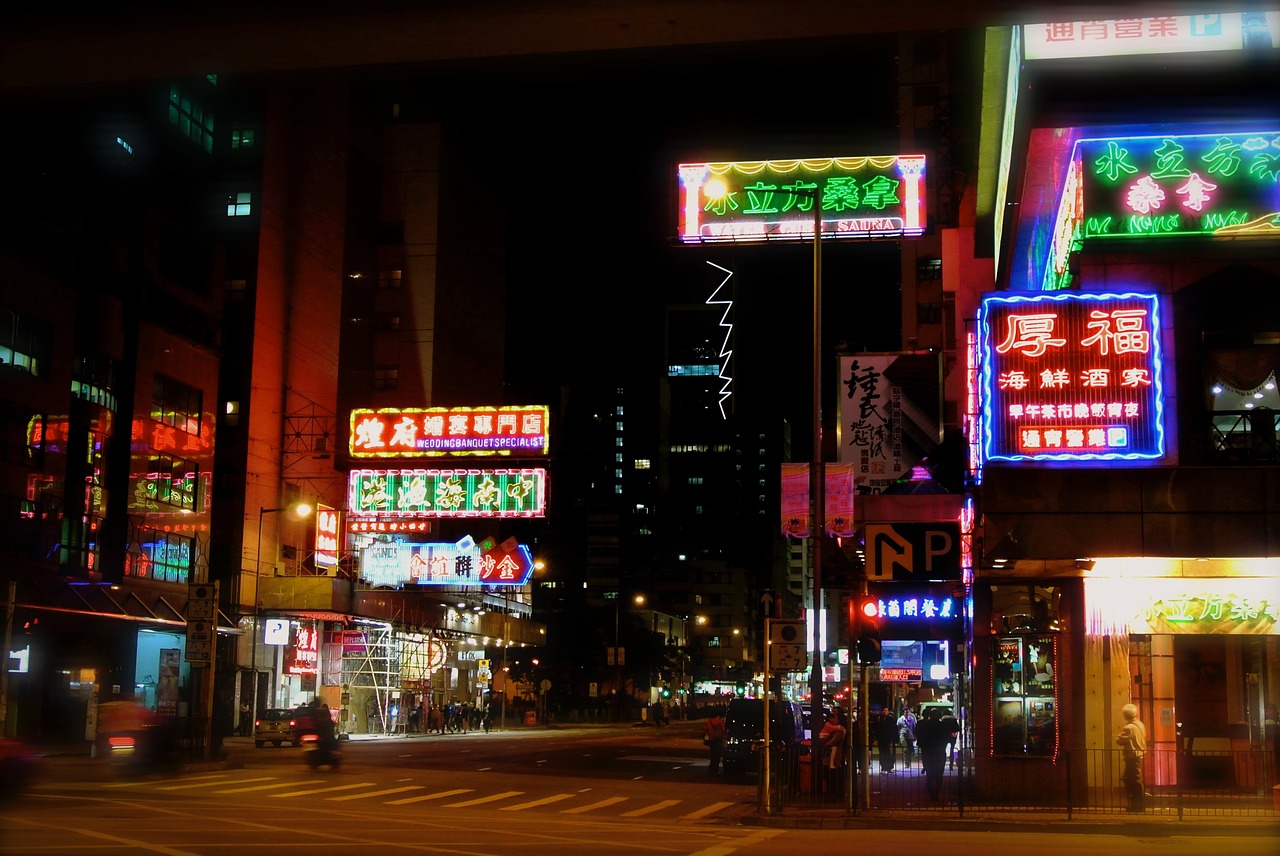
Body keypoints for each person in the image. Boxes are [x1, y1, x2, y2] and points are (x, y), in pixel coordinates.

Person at [1117, 702, 1146, 813]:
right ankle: (1137, 805)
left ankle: (1137, 805)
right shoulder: (1140, 724)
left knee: (1132, 780)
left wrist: (1119, 737)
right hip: (1139, 755)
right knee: (1134, 780)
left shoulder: (1129, 728)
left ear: (1126, 715)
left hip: (1132, 756)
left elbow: (1119, 740)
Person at [916, 706, 950, 801]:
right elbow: (947, 738)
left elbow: (921, 737)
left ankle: (930, 790)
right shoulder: (943, 726)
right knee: (939, 772)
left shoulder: (926, 725)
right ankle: (936, 791)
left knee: (930, 772)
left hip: (928, 751)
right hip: (939, 751)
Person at [818, 709, 848, 797]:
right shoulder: (834, 729)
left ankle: (834, 794)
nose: (834, 720)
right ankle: (833, 793)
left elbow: (831, 743)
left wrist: (825, 744)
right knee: (831, 774)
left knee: (833, 774)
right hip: (831, 754)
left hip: (834, 755)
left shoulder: (839, 732)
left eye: (835, 717)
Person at [703, 707, 726, 774]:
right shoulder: (720, 722)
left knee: (712, 754)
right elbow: (723, 730)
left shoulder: (708, 723)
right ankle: (716, 767)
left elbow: (704, 731)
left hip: (711, 740)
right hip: (718, 739)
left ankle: (712, 767)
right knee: (717, 754)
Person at [897, 706, 918, 770]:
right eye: (905, 712)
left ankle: (908, 762)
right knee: (906, 749)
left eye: (907, 712)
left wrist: (915, 736)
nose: (906, 713)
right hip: (903, 735)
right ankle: (906, 763)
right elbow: (898, 728)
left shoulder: (911, 719)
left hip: (910, 736)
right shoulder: (900, 719)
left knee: (909, 750)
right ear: (903, 712)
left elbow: (914, 728)